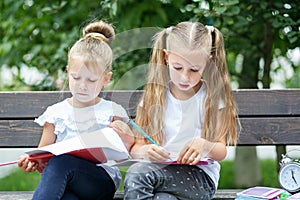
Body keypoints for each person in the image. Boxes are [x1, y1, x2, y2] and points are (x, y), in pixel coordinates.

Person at [18, 20, 134, 200]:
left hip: (100, 182)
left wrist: (126, 137)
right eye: (76, 77)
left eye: (91, 80)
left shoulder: (112, 111)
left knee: (61, 162)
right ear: (67, 72)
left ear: (106, 78)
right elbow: (43, 159)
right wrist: (33, 162)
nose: (82, 86)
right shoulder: (55, 113)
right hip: (67, 182)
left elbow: (123, 155)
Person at [123, 21, 239, 200]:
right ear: (166, 58)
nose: (185, 77)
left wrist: (204, 145)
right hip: (158, 173)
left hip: (200, 179)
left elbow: (221, 151)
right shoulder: (153, 96)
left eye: (194, 69)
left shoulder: (212, 98)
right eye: (178, 68)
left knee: (137, 174)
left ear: (208, 62)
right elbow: (136, 147)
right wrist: (145, 152)